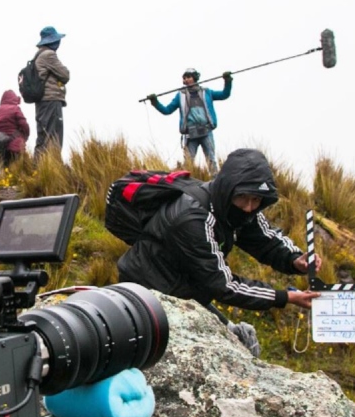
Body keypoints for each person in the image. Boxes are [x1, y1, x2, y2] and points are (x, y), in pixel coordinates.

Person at [117, 148, 321, 354]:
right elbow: (224, 285)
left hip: (184, 290)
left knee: (240, 342)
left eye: (256, 200)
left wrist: (295, 259)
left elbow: (265, 239)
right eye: (243, 197)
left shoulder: (235, 207)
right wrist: (285, 297)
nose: (249, 207)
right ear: (228, 189)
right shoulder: (193, 219)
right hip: (147, 293)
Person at [147, 68, 232, 171]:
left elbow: (224, 94)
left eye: (188, 77)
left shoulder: (206, 92)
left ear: (195, 78)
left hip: (206, 131)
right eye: (184, 78)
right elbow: (167, 110)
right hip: (190, 134)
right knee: (188, 163)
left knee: (211, 160)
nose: (186, 80)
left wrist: (227, 81)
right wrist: (155, 102)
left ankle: (215, 179)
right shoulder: (180, 95)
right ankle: (187, 180)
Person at [32, 25, 70, 158]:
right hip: (51, 100)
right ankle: (53, 165)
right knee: (54, 136)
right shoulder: (49, 55)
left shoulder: (38, 55)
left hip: (42, 102)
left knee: (43, 136)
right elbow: (65, 75)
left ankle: (37, 166)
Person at [0, 89, 30, 168]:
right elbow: (24, 125)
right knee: (19, 171)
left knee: (5, 171)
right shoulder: (15, 109)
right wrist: (25, 137)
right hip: (16, 147)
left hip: (1, 148)